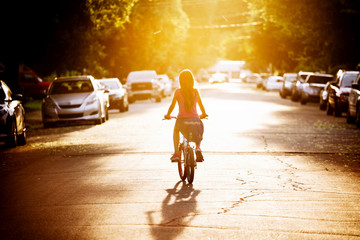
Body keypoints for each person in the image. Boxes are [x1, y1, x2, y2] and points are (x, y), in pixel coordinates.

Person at [164, 69, 208, 162]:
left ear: (180, 81)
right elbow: (201, 105)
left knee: (176, 130)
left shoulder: (178, 92)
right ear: (192, 80)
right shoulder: (195, 91)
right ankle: (197, 148)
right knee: (198, 131)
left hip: (181, 121)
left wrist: (168, 115)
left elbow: (172, 106)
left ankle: (176, 153)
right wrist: (203, 114)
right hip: (195, 119)